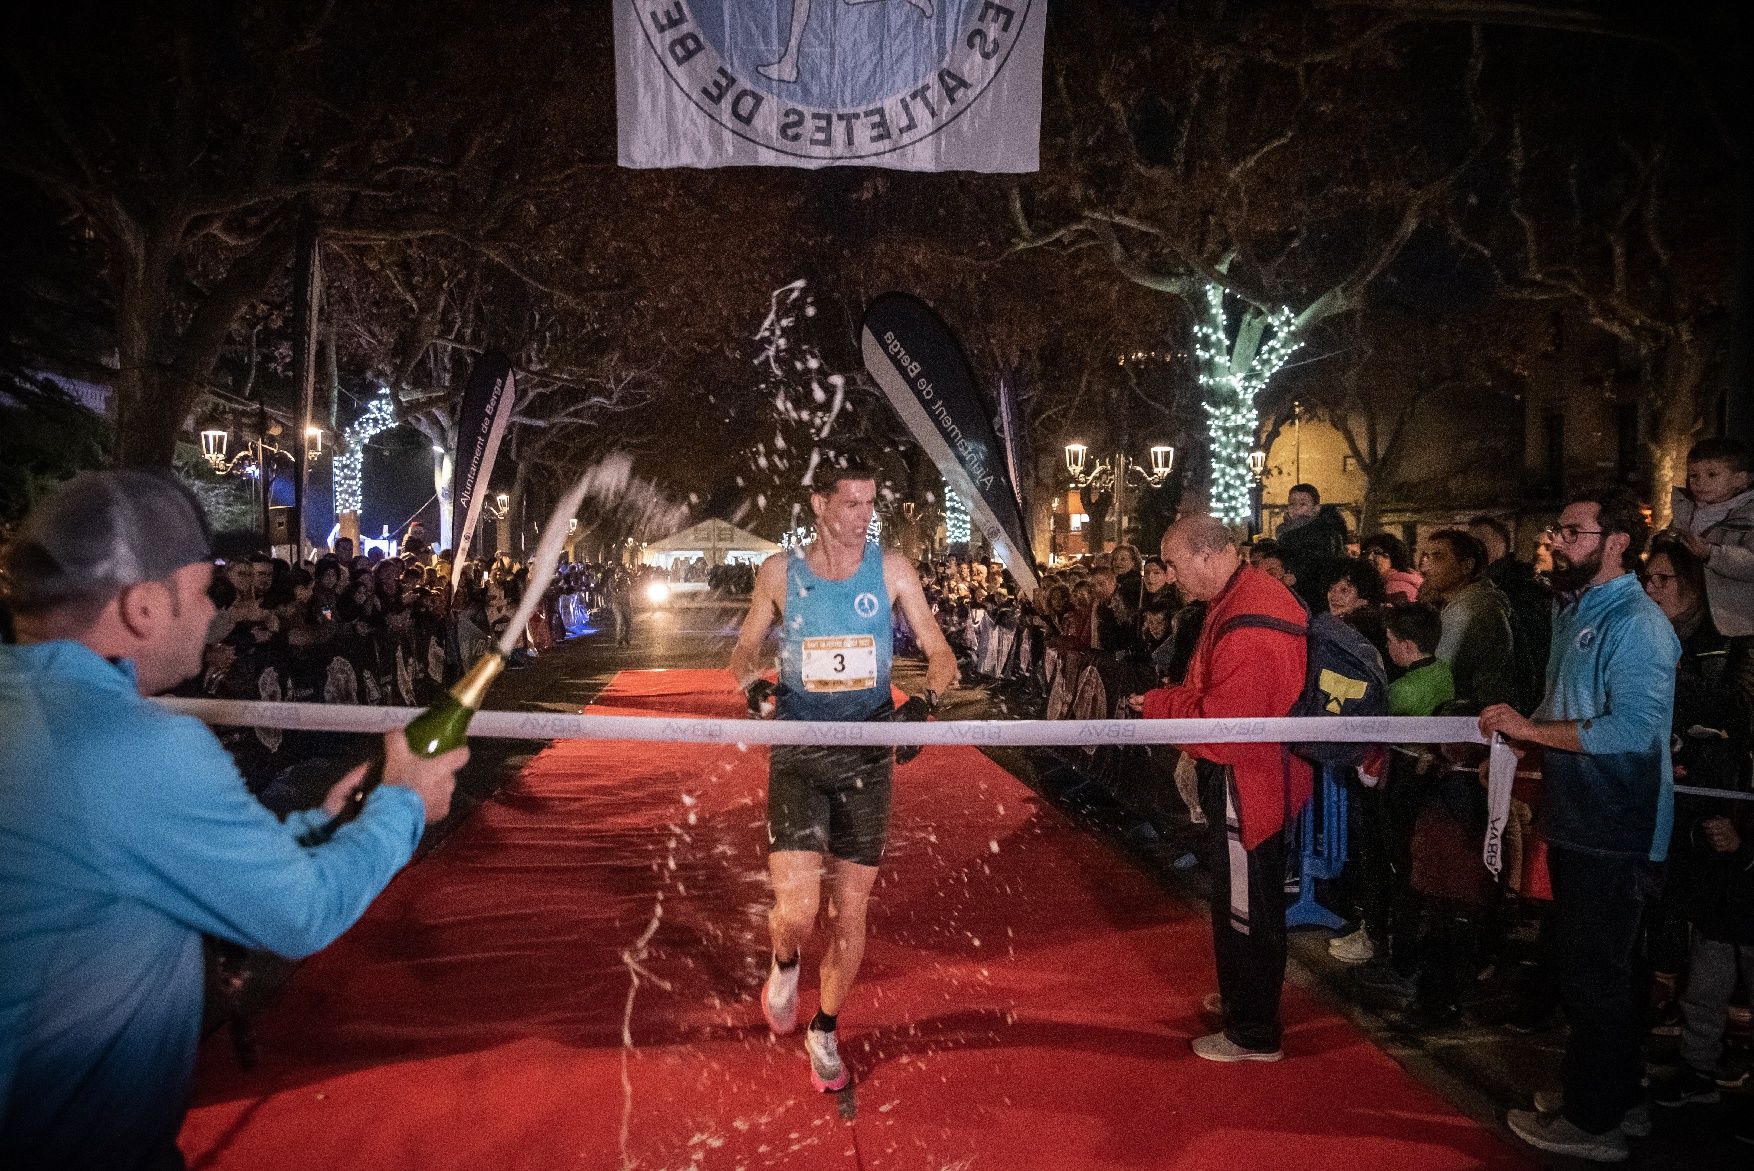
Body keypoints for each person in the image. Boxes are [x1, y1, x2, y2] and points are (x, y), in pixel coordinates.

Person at [0, 471, 466, 1171]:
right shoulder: (137, 745)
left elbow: (150, 863)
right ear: (144, 607)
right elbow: (301, 912)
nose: (218, 608)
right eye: (205, 589)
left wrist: (327, 824)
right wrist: (401, 803)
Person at [728, 459, 957, 1094]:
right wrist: (751, 688)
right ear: (820, 504)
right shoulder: (780, 572)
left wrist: (925, 706)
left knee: (851, 909)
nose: (863, 517)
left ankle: (825, 1027)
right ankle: (784, 960)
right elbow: (743, 651)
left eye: (869, 505)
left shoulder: (892, 569)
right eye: (851, 504)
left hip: (866, 752)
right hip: (800, 748)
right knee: (797, 909)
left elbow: (942, 655)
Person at [1481, 488, 1680, 1163]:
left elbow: (1629, 729)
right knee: (1597, 973)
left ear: (1617, 540)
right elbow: (1560, 704)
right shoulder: (1574, 613)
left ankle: (1594, 1123)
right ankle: (1611, 1094)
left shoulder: (1637, 622)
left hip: (1616, 827)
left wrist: (1531, 730)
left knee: (1599, 979)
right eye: (1557, 528)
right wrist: (1519, 743)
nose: (1558, 540)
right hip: (1578, 818)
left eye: (1573, 530)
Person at [1131, 515, 1311, 1062]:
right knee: (1242, 901)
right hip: (1251, 777)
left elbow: (1226, 724)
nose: (1169, 577)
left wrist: (1160, 706)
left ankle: (1252, 1029)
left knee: (1245, 906)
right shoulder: (1237, 602)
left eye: (1174, 564)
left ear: (1208, 556)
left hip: (1251, 783)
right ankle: (1244, 1001)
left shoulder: (1250, 618)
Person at [1667, 436, 1754, 736]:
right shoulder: (1686, 513)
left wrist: (1711, 554)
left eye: (1712, 475)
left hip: (1740, 626)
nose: (1700, 482)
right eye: (1694, 475)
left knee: (1735, 696)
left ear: (1741, 480)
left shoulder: (1748, 515)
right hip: (1692, 620)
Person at [1418, 529, 1520, 709]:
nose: (1425, 567)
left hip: (1476, 717)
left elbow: (1441, 676)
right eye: (1425, 557)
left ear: (1467, 566)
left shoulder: (1470, 608)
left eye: (1438, 557)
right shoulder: (1463, 603)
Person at [1273, 483, 1347, 610]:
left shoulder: (1320, 533)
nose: (1296, 509)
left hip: (1312, 599)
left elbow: (1319, 561)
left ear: (1316, 508)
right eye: (1292, 504)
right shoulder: (1289, 532)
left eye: (1303, 504)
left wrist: (1297, 576)